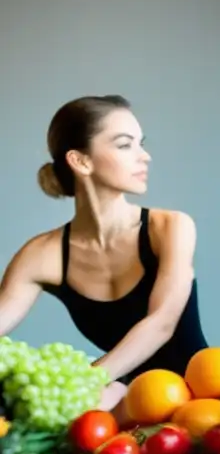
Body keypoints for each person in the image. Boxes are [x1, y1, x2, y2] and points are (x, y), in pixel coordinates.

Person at [0, 95, 208, 411]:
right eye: (126, 145)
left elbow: (161, 323)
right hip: (122, 405)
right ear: (81, 161)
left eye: (141, 144)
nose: (145, 156)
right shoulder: (43, 254)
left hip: (202, 399)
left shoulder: (170, 227)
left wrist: (80, 383)